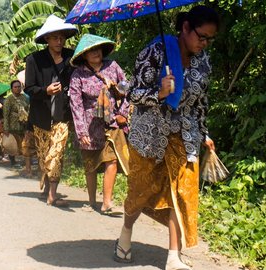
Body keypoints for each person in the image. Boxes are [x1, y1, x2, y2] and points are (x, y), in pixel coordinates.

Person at [113, 6, 219, 269]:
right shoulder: (154, 52)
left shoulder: (203, 61)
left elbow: (201, 102)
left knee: (181, 191)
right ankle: (126, 233)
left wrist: (204, 132)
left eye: (209, 39)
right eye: (201, 36)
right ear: (185, 28)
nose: (204, 43)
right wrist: (158, 93)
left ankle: (173, 256)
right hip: (149, 134)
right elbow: (133, 94)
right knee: (139, 191)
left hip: (185, 134)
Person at [69, 34, 130, 215]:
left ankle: (107, 202)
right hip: (89, 125)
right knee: (91, 164)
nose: (96, 53)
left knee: (111, 159)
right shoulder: (78, 75)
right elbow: (76, 105)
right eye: (91, 50)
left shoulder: (113, 67)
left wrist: (122, 113)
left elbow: (127, 88)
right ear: (84, 55)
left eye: (98, 49)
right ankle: (91, 200)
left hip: (111, 122)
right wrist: (81, 132)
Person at [24, 15, 78, 207]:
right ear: (46, 39)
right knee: (44, 153)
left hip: (62, 115)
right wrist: (45, 91)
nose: (59, 41)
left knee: (57, 152)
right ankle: (48, 187)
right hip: (41, 115)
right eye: (55, 38)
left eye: (62, 37)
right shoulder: (34, 60)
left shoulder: (72, 58)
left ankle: (52, 194)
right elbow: (29, 88)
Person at [3, 80, 30, 168]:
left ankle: (24, 160)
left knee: (23, 143)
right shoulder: (9, 99)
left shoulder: (25, 98)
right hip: (12, 124)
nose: (17, 88)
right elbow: (6, 115)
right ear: (12, 89)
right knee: (12, 144)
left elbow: (28, 109)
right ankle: (12, 160)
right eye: (15, 87)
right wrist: (6, 128)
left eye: (19, 87)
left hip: (23, 124)